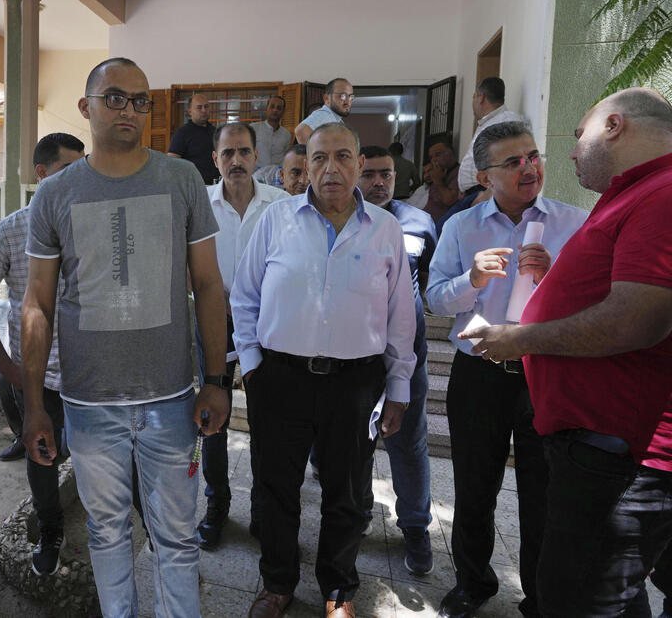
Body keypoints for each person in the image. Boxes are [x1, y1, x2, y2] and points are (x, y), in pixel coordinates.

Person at [20, 57, 230, 617]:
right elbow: (37, 303)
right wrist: (37, 403)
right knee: (107, 532)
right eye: (115, 97)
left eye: (141, 100)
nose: (130, 109)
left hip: (171, 399)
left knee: (177, 538)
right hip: (89, 405)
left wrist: (216, 380)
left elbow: (209, 285)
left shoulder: (181, 178)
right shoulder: (55, 194)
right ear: (86, 107)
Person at [463, 88, 672, 617]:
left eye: (576, 138)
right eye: (516, 160)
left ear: (614, 125)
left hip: (621, 451)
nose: (570, 155)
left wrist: (522, 338)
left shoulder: (662, 194)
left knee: (578, 597)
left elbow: (639, 318)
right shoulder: (635, 194)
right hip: (598, 443)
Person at [232, 122, 416, 618]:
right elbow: (244, 297)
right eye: (318, 159)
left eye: (341, 157)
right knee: (275, 491)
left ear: (359, 163)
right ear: (304, 166)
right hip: (280, 379)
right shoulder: (276, 220)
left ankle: (339, 589)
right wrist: (252, 367)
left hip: (355, 383)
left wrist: (398, 387)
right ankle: (277, 584)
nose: (329, 168)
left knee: (349, 494)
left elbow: (402, 316)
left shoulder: (385, 230)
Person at [426, 121, 588, 618]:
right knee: (475, 487)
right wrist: (472, 279)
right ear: (485, 176)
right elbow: (434, 299)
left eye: (533, 156)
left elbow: (596, 303)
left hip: (546, 373)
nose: (529, 168)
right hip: (479, 375)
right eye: (513, 162)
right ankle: (473, 583)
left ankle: (540, 596)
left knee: (544, 492)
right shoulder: (461, 227)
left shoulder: (575, 223)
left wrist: (555, 273)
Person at [0, 132, 84, 576]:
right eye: (67, 170)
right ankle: (50, 529)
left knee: (97, 458)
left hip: (93, 376)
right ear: (41, 173)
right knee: (43, 458)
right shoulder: (8, 232)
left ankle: (128, 531)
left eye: (82, 168)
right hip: (41, 378)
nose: (77, 179)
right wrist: (8, 370)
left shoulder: (93, 226)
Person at [195, 122, 289, 551]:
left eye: (244, 152)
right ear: (215, 159)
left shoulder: (281, 205)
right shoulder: (200, 205)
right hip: (213, 322)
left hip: (265, 325)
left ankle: (262, 508)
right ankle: (216, 506)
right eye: (227, 153)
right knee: (211, 417)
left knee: (267, 421)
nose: (236, 160)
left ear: (256, 158)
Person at [355, 145, 437, 576]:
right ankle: (358, 515)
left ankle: (416, 530)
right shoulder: (345, 224)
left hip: (409, 358)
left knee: (409, 447)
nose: (378, 182)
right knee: (357, 448)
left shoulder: (419, 223)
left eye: (385, 173)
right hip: (358, 362)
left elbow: (429, 282)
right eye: (369, 174)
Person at [457, 77, 526, 195]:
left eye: (474, 97)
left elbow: (510, 160)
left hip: (486, 192)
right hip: (477, 191)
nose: (473, 102)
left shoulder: (506, 120)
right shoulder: (490, 122)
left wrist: (488, 194)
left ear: (481, 98)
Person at [168, 92, 219, 184]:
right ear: (190, 111)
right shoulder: (182, 134)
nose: (204, 110)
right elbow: (171, 165)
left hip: (215, 187)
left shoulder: (216, 132)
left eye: (206, 106)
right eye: (199, 107)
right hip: (192, 188)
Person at [294, 78, 353, 145]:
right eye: (342, 96)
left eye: (351, 97)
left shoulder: (336, 120)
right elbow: (301, 131)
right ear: (326, 98)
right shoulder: (325, 114)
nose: (348, 102)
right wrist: (321, 154)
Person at [251, 95, 292, 187]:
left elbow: (286, 159)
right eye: (272, 106)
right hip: (255, 178)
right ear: (267, 108)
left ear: (283, 112)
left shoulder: (286, 134)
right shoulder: (253, 129)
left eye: (279, 108)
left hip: (277, 181)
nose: (275, 110)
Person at [422, 135, 462, 225]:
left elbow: (449, 200)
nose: (434, 160)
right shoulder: (440, 172)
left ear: (451, 154)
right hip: (426, 221)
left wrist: (438, 181)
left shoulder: (459, 172)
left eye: (438, 154)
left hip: (443, 226)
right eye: (431, 157)